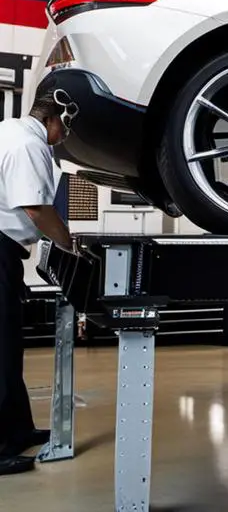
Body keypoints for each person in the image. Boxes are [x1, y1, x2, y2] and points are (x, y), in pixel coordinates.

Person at [0, 88, 78, 476]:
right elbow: (34, 208)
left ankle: (18, 429)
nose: (67, 133)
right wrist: (67, 242)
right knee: (0, 349)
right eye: (66, 125)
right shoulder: (28, 145)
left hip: (6, 252)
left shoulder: (13, 131)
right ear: (53, 118)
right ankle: (0, 450)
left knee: (10, 346)